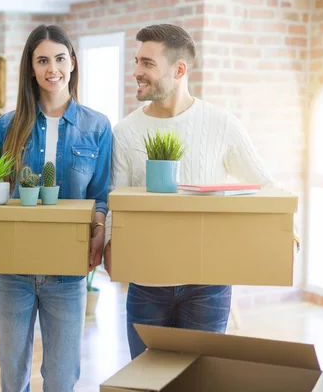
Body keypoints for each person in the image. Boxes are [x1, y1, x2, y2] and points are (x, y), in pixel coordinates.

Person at [102, 23, 300, 360]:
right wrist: (109, 242)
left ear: (179, 70)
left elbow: (266, 184)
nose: (136, 72)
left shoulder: (222, 125)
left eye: (147, 64)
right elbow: (115, 201)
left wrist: (289, 230)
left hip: (208, 287)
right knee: (147, 380)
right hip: (147, 284)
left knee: (199, 380)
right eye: (136, 62)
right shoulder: (125, 131)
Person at [0, 24, 112, 392]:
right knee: (12, 372)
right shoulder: (8, 125)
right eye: (42, 60)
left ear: (72, 61)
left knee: (62, 376)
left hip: (67, 274)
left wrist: (99, 233)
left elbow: (101, 196)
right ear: (31, 69)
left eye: (59, 58)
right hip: (11, 271)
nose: (52, 68)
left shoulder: (97, 127)